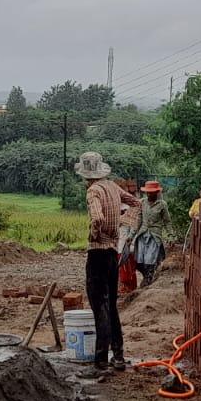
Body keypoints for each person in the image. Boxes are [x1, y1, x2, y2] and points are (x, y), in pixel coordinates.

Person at [76, 151, 138, 373]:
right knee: (111, 304)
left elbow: (97, 217)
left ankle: (101, 361)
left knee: (99, 306)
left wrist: (95, 234)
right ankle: (118, 356)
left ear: (85, 174)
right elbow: (133, 201)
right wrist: (121, 225)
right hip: (113, 252)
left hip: (98, 254)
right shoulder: (112, 186)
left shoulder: (93, 191)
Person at [133, 181, 170, 287]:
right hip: (142, 235)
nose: (149, 194)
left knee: (150, 259)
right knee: (139, 261)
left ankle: (148, 280)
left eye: (152, 193)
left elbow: (167, 221)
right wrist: (131, 236)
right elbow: (138, 220)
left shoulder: (162, 204)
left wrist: (171, 236)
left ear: (157, 192)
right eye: (147, 192)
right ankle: (146, 277)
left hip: (154, 236)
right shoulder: (142, 203)